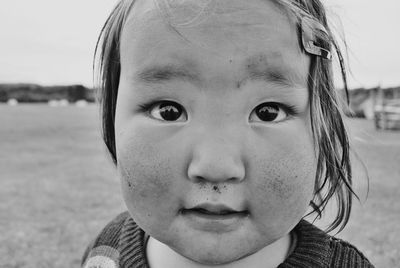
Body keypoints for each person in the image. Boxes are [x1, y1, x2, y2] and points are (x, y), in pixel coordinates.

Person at [82, 0, 374, 267]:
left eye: (268, 112)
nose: (216, 167)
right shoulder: (106, 252)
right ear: (112, 120)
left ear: (322, 130)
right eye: (168, 110)